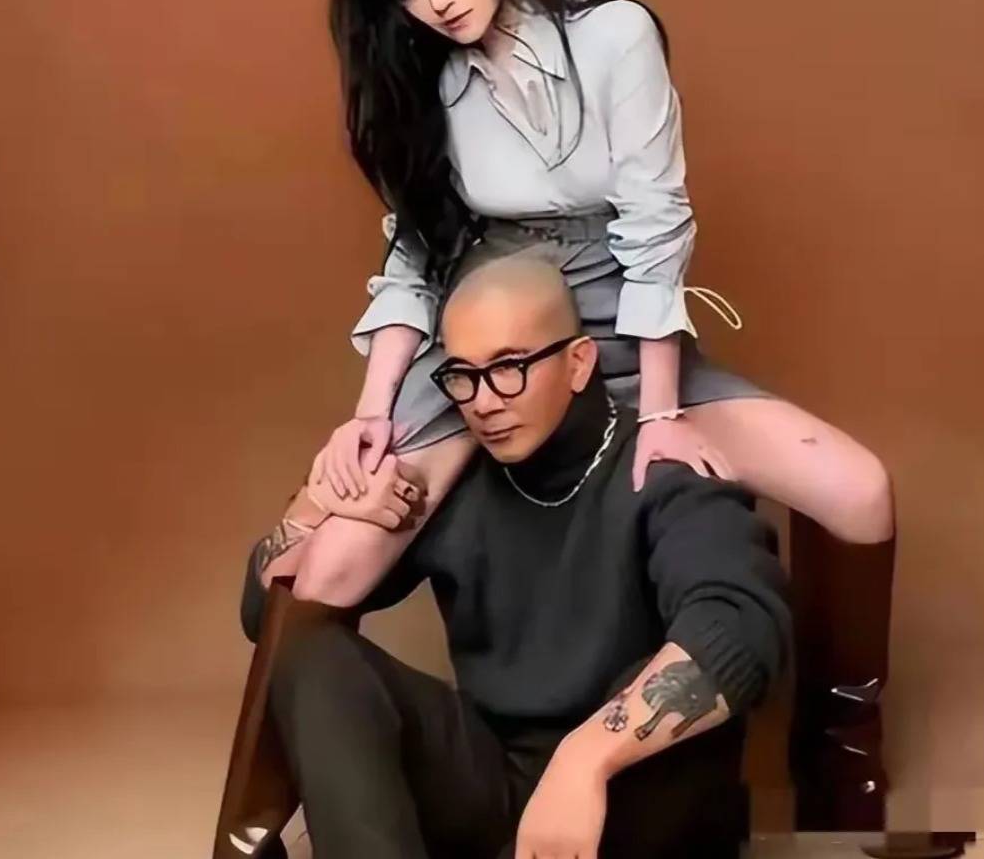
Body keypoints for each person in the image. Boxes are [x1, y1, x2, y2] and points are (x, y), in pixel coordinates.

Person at [298, 0, 893, 610]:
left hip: (620, 318)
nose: (435, 3)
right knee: (333, 569)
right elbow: (414, 260)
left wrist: (661, 412)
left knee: (859, 491)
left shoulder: (613, 36)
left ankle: (827, 694)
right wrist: (372, 414)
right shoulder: (423, 83)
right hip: (488, 341)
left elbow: (655, 227)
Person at [242, 256, 792, 859]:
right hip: (500, 783)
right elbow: (271, 617)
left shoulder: (662, 469)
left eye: (509, 367)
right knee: (314, 653)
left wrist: (585, 758)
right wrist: (320, 499)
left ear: (578, 362)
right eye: (463, 376)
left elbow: (742, 627)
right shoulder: (451, 481)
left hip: (636, 797)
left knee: (660, 693)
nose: (483, 401)